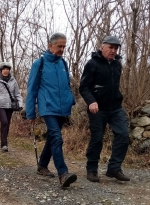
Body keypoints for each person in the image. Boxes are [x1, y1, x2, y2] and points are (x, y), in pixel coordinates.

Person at [26, 32, 77, 188]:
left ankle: (42, 165)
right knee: (57, 137)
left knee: (52, 138)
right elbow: (32, 89)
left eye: (64, 46)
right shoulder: (39, 64)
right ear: (50, 45)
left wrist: (71, 100)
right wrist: (30, 112)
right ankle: (63, 174)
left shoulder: (64, 64)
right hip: (47, 107)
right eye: (59, 46)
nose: (62, 49)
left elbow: (66, 86)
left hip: (62, 108)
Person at [79, 36, 130, 182]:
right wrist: (91, 101)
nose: (113, 51)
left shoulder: (117, 65)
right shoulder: (92, 64)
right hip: (98, 108)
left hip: (115, 108)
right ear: (102, 47)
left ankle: (114, 168)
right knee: (97, 138)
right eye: (111, 47)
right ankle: (92, 169)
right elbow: (83, 87)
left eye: (116, 48)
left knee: (123, 134)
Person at [0, 62, 23, 152]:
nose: (6, 71)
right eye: (4, 69)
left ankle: (4, 144)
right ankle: (4, 144)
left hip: (9, 105)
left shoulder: (13, 80)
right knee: (4, 122)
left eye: (7, 69)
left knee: (7, 124)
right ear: (1, 70)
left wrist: (20, 103)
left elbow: (17, 94)